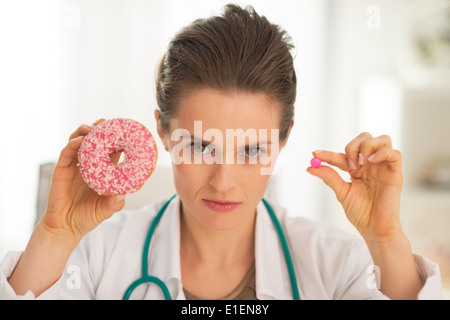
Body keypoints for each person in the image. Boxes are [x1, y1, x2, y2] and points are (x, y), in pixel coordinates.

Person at [1, 4, 442, 300]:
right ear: (163, 132)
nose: (223, 180)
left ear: (284, 138)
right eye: (198, 146)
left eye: (252, 150)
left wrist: (385, 238)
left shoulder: (336, 263)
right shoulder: (95, 258)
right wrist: (56, 234)